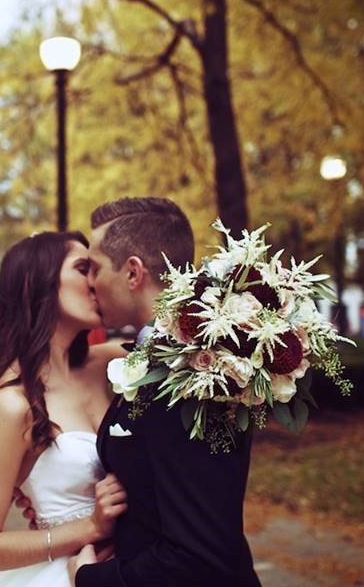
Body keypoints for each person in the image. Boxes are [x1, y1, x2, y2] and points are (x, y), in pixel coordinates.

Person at [19, 198, 261, 587]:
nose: (90, 282)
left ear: (133, 272)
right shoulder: (154, 357)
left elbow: (199, 553)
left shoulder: (195, 374)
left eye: (95, 268)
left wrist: (91, 579)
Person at [0, 231, 130, 587]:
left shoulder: (114, 365)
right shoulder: (13, 403)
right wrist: (89, 527)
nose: (95, 281)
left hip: (138, 566)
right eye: (83, 268)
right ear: (39, 283)